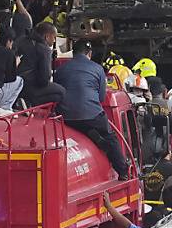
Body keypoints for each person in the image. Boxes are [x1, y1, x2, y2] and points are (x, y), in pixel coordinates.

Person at [54, 41, 130, 179]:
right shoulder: (97, 69)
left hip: (66, 117)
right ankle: (123, 172)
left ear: (73, 53)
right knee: (111, 137)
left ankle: (95, 137)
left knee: (82, 126)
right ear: (89, 54)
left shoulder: (61, 70)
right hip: (92, 115)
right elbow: (101, 97)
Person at [17, 22, 65, 108]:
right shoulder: (44, 49)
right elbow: (44, 78)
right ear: (47, 36)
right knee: (61, 91)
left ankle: (24, 101)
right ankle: (29, 103)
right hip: (30, 85)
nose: (54, 41)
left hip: (14, 85)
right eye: (54, 37)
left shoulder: (22, 40)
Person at [0, 27, 24, 111]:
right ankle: (5, 108)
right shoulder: (8, 53)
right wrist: (14, 64)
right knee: (19, 80)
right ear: (8, 41)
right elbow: (10, 78)